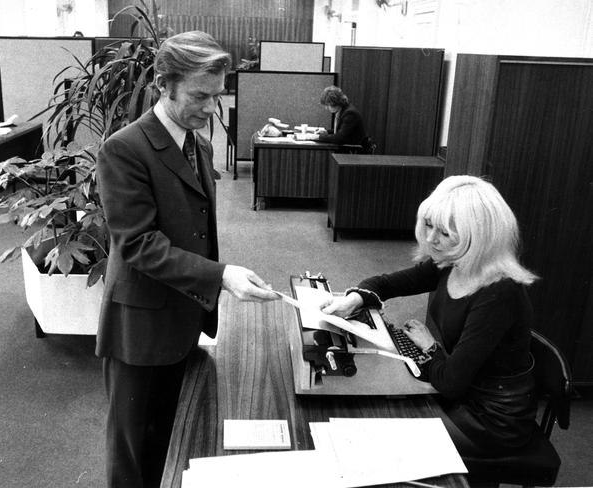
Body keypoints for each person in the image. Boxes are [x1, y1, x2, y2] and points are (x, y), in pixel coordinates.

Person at [96, 31, 278, 487]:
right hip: (140, 326)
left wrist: (214, 280)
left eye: (217, 96)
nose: (211, 109)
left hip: (182, 316)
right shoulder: (125, 148)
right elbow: (138, 244)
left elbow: (194, 228)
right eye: (200, 96)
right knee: (132, 451)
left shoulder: (198, 142)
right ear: (164, 83)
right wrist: (221, 276)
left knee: (171, 436)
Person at [320, 175, 539, 457]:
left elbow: (450, 383)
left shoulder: (499, 293)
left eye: (445, 233)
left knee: (370, 436)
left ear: (480, 236)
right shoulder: (452, 262)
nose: (432, 239)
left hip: (489, 420)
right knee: (364, 412)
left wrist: (429, 347)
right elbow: (384, 284)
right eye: (429, 225)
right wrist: (353, 300)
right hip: (461, 390)